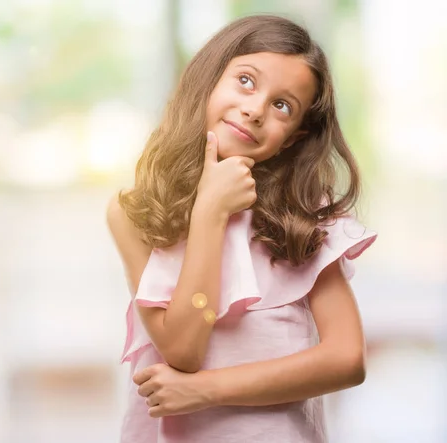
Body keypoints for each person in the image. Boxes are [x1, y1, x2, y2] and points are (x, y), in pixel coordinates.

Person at [106, 14, 377, 443]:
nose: (254, 110)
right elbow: (183, 349)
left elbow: (346, 359)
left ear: (292, 137)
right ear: (210, 79)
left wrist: (204, 392)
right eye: (246, 81)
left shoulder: (303, 217)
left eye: (282, 105)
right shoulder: (135, 213)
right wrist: (210, 212)